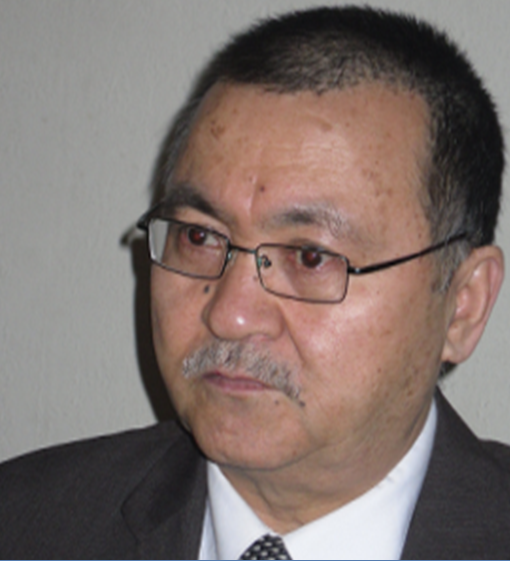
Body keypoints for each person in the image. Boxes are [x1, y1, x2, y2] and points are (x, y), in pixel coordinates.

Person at [0, 5, 508, 560]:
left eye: (310, 257)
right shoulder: (25, 523)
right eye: (199, 237)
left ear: (462, 306)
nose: (229, 315)